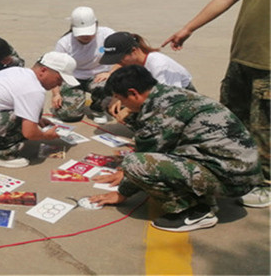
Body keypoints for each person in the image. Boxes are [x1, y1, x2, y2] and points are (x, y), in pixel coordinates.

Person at [162, 0, 270, 208]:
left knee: (264, 127)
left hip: (268, 66)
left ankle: (264, 182)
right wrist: (188, 28)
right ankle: (237, 172)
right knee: (232, 120)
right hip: (241, 59)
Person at [89, 65, 262, 232]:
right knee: (165, 152)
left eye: (121, 99)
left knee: (134, 163)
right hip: (241, 170)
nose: (121, 104)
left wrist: (122, 193)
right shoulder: (167, 94)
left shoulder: (161, 112)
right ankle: (203, 194)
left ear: (133, 93)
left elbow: (147, 156)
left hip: (233, 180)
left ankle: (194, 213)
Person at [0, 51, 80, 168]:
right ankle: (1, 156)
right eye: (59, 79)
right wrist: (46, 135)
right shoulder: (34, 89)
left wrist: (37, 118)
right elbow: (29, 133)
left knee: (29, 116)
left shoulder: (18, 71)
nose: (59, 84)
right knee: (25, 121)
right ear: (43, 71)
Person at [51, 6, 116, 122]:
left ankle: (98, 109)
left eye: (89, 32)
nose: (86, 36)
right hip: (72, 78)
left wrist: (110, 73)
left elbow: (124, 57)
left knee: (109, 86)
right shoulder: (64, 43)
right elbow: (54, 69)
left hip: (99, 76)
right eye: (81, 33)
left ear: (96, 25)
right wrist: (56, 94)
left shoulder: (107, 35)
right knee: (69, 115)